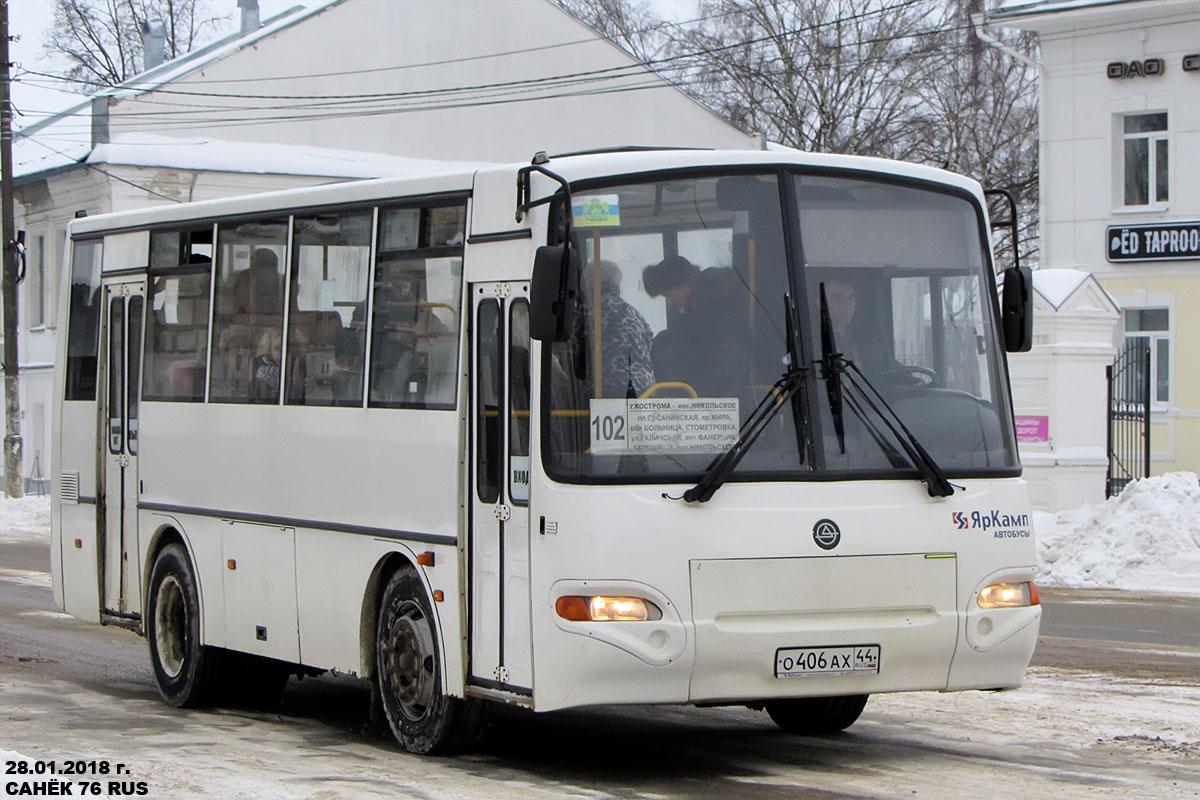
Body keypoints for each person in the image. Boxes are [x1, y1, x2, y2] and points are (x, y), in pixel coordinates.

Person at [584, 260, 654, 398]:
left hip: (610, 393)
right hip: (646, 393)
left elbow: (577, 358)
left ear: (591, 286)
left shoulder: (592, 313)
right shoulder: (635, 314)